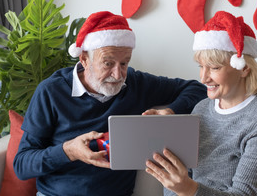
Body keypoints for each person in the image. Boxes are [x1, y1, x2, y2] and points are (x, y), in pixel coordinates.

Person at [13, 11, 207, 196]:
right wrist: (69, 151)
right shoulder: (51, 91)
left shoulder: (136, 84)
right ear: (84, 59)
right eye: (108, 63)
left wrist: (170, 111)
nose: (118, 74)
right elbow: (22, 165)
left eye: (124, 63)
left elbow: (196, 88)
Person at [145, 11, 257, 196]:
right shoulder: (202, 108)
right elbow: (178, 180)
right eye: (201, 66)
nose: (203, 77)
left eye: (214, 68)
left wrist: (188, 189)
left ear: (244, 68)